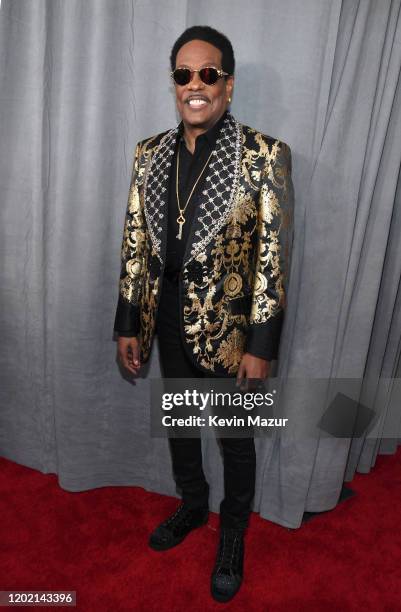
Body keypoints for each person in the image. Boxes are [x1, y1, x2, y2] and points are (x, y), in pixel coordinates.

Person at [114, 25, 294, 603]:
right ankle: (191, 506)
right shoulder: (149, 153)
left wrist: (261, 346)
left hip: (232, 332)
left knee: (237, 440)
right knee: (182, 423)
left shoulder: (263, 155)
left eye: (208, 74)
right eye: (184, 75)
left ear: (228, 85)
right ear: (174, 84)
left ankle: (233, 535)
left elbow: (273, 257)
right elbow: (136, 241)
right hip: (164, 316)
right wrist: (128, 322)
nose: (196, 85)